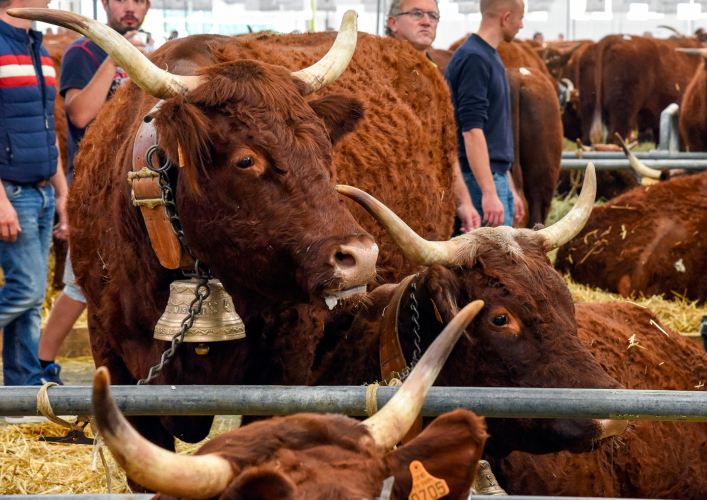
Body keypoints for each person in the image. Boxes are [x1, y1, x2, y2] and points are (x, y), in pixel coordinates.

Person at [36, 0, 151, 384]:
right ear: (105, 4)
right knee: (79, 284)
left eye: (139, 0)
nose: (130, 8)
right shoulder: (82, 51)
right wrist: (116, 58)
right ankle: (41, 363)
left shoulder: (155, 51)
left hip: (143, 190)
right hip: (95, 190)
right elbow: (80, 115)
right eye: (122, 0)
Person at [0, 0, 68, 385]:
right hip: (12, 191)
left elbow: (46, 129)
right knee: (25, 292)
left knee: (28, 301)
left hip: (41, 190)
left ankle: (23, 386)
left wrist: (62, 193)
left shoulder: (36, 46)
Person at [386, 0, 481, 231]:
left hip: (428, 200)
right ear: (392, 23)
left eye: (433, 16)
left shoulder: (432, 71)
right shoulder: (377, 70)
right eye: (416, 14)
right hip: (389, 197)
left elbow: (444, 144)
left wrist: (464, 201)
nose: (427, 21)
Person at [444, 0, 525, 227]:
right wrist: (489, 192)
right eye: (520, 18)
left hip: (493, 177)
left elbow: (493, 135)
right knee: (491, 261)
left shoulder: (487, 55)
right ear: (505, 18)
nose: (521, 25)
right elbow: (471, 130)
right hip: (478, 179)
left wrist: (509, 189)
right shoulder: (475, 58)